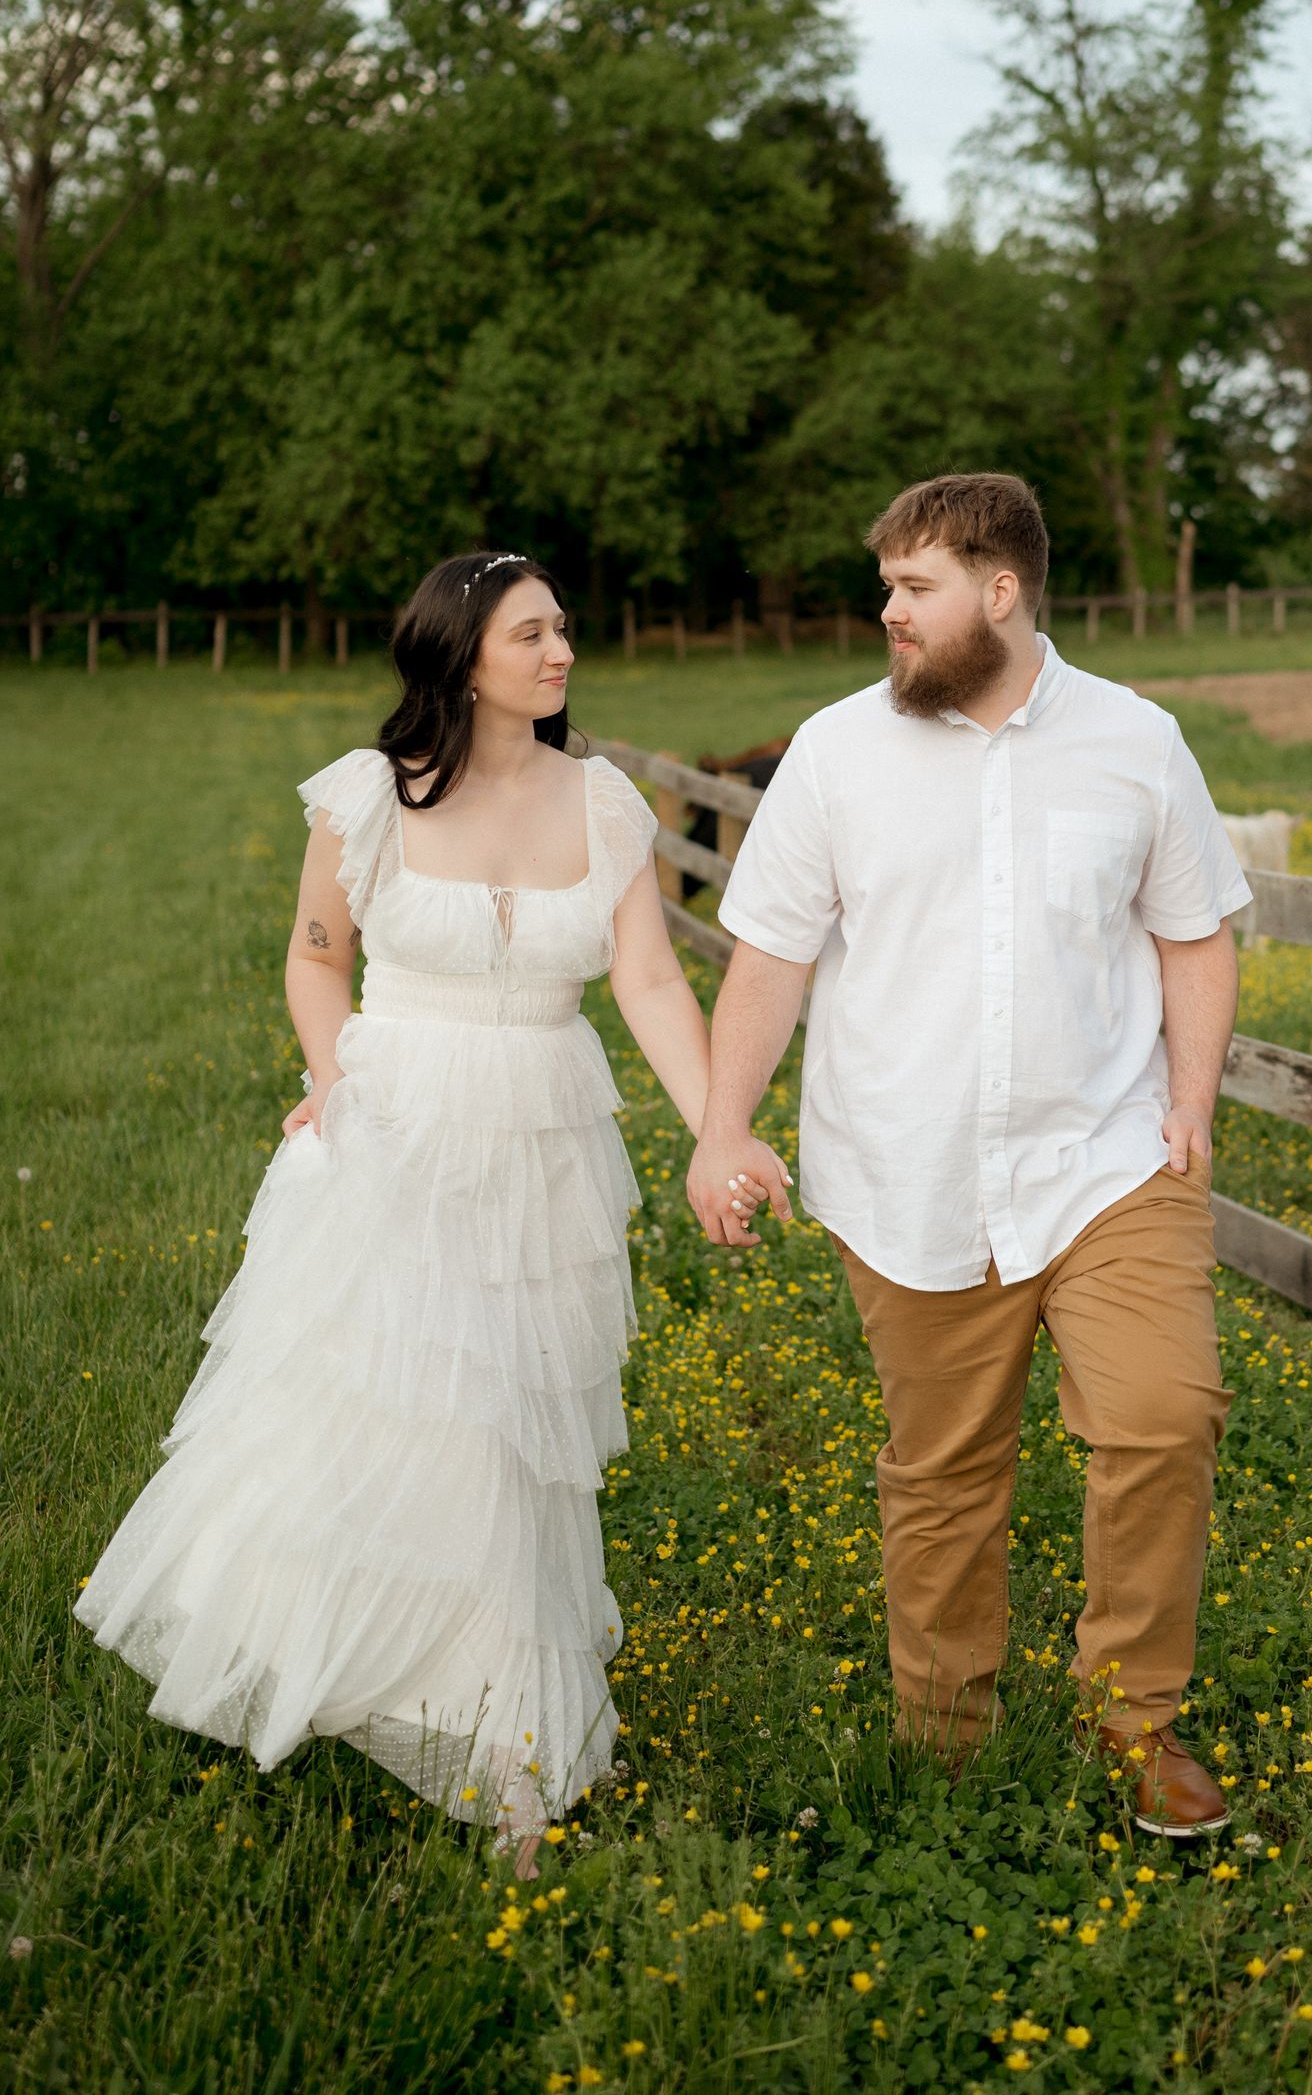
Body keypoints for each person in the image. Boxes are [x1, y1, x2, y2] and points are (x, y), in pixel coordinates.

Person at [74, 553, 710, 1879]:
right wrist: (331, 1079)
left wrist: (721, 1126)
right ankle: (341, 1656)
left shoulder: (604, 803)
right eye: (534, 631)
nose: (563, 651)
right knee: (395, 1418)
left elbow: (647, 978)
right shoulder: (367, 795)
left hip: (541, 1131)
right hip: (396, 1113)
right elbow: (317, 957)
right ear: (461, 653)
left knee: (512, 1434)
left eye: (565, 628)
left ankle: (505, 1737)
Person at [693, 474, 1249, 1837]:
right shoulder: (834, 752)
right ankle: (945, 1742)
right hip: (907, 1167)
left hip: (1110, 1160)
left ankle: (1138, 1719)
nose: (888, 610)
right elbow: (770, 952)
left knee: (1162, 1417)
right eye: (887, 585)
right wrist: (722, 1122)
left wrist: (1191, 1098)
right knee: (941, 1471)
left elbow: (1195, 933)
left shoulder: (1136, 741)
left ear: (1000, 592)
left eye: (914, 586)